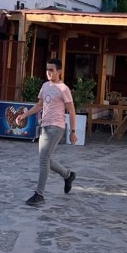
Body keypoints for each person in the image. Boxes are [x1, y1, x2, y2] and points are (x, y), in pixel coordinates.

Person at [16, 58, 77, 206]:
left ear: (59, 71)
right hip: (44, 126)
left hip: (56, 127)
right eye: (47, 69)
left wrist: (73, 131)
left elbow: (71, 110)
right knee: (45, 159)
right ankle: (68, 175)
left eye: (52, 70)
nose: (49, 72)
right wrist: (24, 115)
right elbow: (40, 105)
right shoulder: (44, 86)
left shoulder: (63, 89)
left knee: (43, 159)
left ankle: (39, 194)